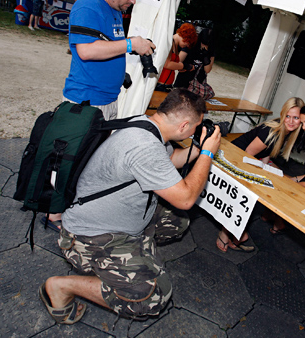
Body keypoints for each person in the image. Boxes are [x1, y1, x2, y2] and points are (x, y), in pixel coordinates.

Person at [40, 89, 222, 324]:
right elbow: (186, 197)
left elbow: (168, 161)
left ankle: (134, 255)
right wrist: (208, 154)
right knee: (153, 296)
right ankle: (62, 287)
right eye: (194, 128)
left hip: (118, 218)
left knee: (177, 220)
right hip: (90, 235)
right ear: (183, 126)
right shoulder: (144, 147)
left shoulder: (145, 124)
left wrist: (197, 148)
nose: (194, 131)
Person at [44, 0, 155, 232]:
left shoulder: (115, 10)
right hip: (85, 102)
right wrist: (131, 44)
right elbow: (86, 50)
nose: (133, 0)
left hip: (106, 100)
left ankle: (74, 203)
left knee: (90, 159)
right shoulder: (88, 6)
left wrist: (120, 73)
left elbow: (108, 47)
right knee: (69, 159)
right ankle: (54, 213)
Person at [216, 97, 305, 249]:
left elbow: (266, 152)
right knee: (247, 192)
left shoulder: (285, 130)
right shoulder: (272, 130)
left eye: (295, 117)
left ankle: (273, 217)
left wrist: (268, 169)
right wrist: (258, 177)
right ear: (283, 114)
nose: (290, 121)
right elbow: (246, 156)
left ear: (301, 119)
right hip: (231, 158)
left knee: (280, 178)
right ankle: (224, 234)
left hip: (246, 158)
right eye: (288, 116)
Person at [156, 23, 198, 91]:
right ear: (186, 37)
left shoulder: (174, 45)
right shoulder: (170, 43)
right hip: (160, 85)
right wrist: (184, 66)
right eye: (188, 43)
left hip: (165, 85)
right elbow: (166, 64)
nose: (187, 46)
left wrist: (181, 67)